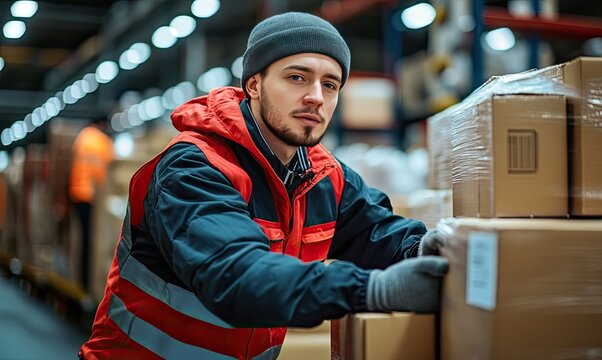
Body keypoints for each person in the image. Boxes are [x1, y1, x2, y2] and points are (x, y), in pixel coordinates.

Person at [79, 12, 448, 359]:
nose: (316, 96)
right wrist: (372, 291)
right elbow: (237, 275)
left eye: (330, 84)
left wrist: (422, 248)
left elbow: (377, 232)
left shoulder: (323, 177)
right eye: (297, 77)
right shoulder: (193, 168)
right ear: (254, 85)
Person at [68, 117, 113, 291]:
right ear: (102, 124)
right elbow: (109, 171)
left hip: (77, 192)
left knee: (82, 238)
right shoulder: (103, 142)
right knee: (93, 241)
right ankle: (89, 283)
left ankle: (80, 279)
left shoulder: (82, 137)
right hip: (93, 196)